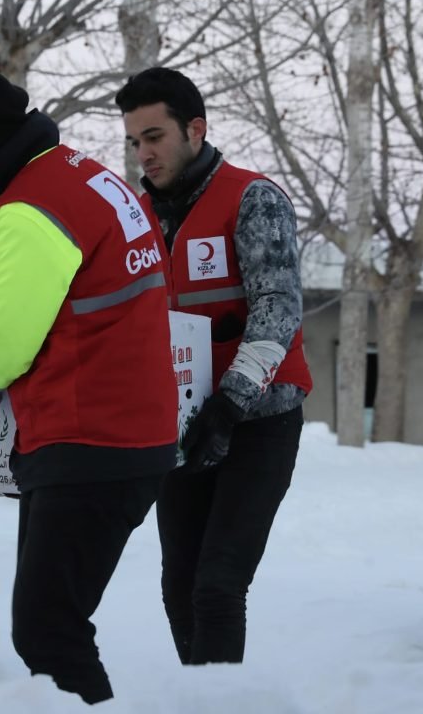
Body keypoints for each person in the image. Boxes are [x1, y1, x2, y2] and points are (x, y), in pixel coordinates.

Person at [0, 62, 178, 704]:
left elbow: (1, 349)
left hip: (89, 437)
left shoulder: (31, 206)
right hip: (122, 432)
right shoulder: (82, 174)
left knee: (47, 631)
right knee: (51, 626)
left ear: (1, 142)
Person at [115, 67, 313, 665]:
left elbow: (278, 308)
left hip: (258, 421)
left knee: (218, 584)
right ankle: (200, 696)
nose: (143, 154)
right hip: (181, 425)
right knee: (179, 585)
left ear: (194, 130)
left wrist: (230, 403)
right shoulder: (134, 217)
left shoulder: (253, 199)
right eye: (133, 141)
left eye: (154, 136)